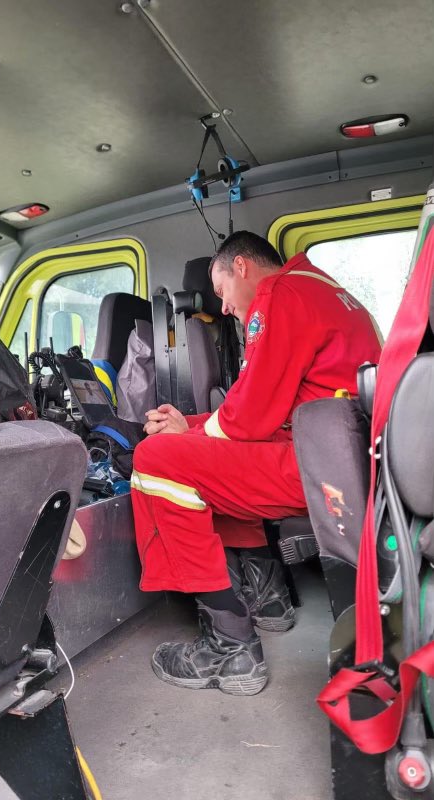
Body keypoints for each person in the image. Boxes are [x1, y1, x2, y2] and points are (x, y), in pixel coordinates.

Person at [131, 231, 382, 695]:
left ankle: (230, 646)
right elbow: (263, 410)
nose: (223, 307)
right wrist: (190, 423)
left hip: (318, 467)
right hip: (341, 459)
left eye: (222, 290)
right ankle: (268, 601)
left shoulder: (280, 294)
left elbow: (249, 417)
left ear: (243, 267)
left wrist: (184, 435)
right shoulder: (325, 289)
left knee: (155, 461)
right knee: (202, 463)